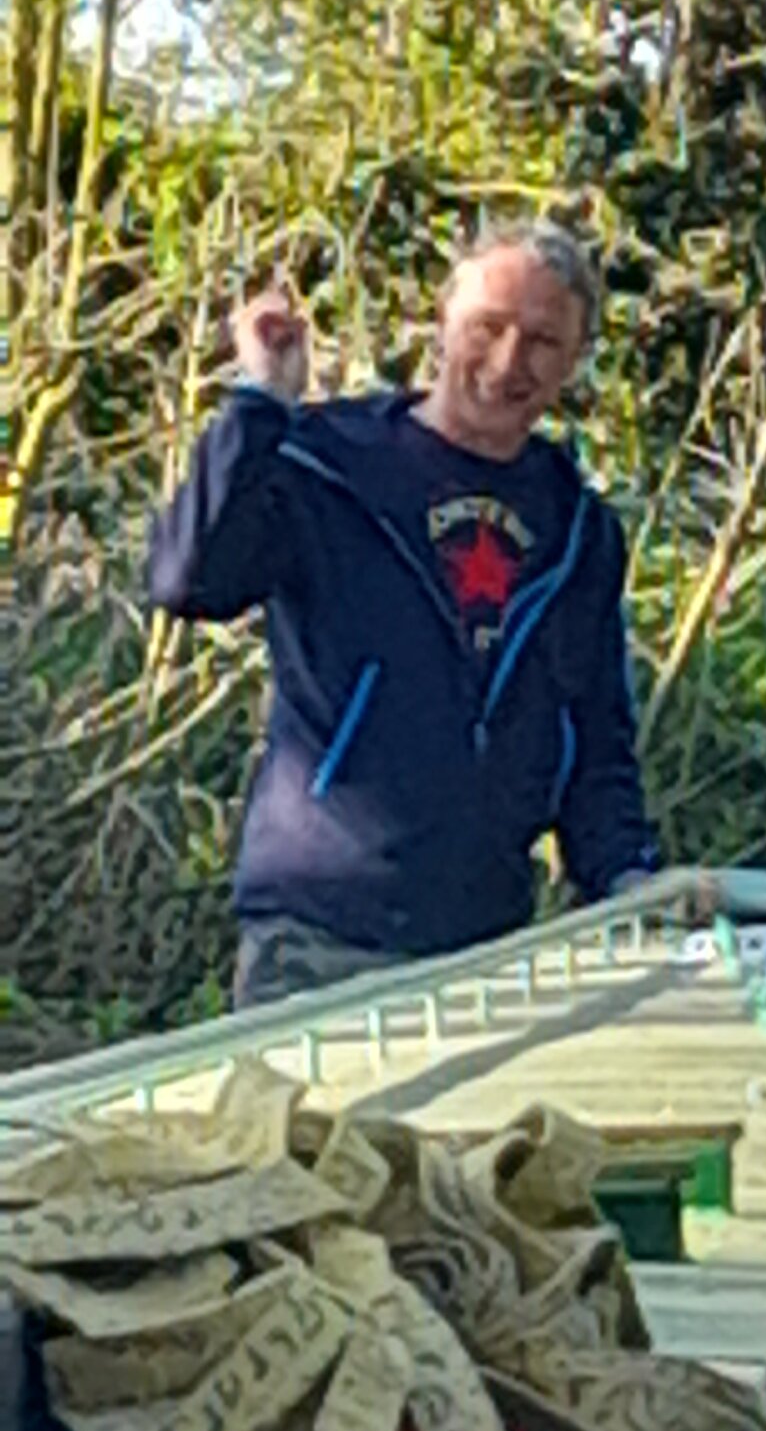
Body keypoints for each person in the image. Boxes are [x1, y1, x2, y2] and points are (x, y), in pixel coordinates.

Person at [149, 221, 659, 1004]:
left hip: (487, 953)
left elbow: (595, 743)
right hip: (319, 940)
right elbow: (188, 581)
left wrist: (628, 878)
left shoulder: (579, 531)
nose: (507, 363)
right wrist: (259, 402)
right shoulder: (327, 462)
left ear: (576, 360)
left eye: (542, 342)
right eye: (487, 327)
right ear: (442, 321)